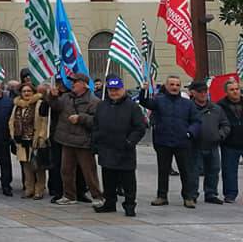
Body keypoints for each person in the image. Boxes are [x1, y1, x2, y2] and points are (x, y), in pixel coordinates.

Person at [139, 74, 202, 208]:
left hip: (183, 142)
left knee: (185, 171)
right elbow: (145, 102)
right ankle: (162, 196)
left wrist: (190, 132)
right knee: (163, 171)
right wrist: (143, 90)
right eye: (172, 84)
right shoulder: (159, 100)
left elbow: (196, 121)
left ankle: (188, 197)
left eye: (177, 85)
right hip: (163, 142)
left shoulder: (188, 104)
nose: (174, 87)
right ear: (166, 86)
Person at [92, 75, 146, 216]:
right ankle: (109, 203)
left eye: (116, 89)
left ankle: (129, 206)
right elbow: (96, 125)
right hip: (107, 149)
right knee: (108, 180)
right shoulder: (102, 105)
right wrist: (97, 141)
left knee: (128, 181)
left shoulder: (132, 107)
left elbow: (140, 128)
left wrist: (129, 142)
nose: (114, 92)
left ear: (122, 89)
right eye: (111, 90)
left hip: (124, 150)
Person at [50, 74, 104, 207]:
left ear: (84, 84)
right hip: (66, 140)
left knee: (89, 171)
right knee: (66, 170)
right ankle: (69, 195)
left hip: (83, 142)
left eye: (75, 82)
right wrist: (52, 96)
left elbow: (97, 121)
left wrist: (81, 118)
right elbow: (55, 107)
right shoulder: (66, 97)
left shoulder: (94, 101)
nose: (72, 84)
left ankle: (97, 196)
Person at [188, 80, 229, 205]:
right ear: (193, 93)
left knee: (213, 170)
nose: (203, 94)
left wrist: (220, 135)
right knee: (194, 172)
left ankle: (211, 193)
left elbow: (225, 124)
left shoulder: (216, 108)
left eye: (205, 91)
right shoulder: (188, 108)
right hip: (195, 145)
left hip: (213, 145)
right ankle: (192, 194)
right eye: (200, 92)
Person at [8, 84, 49, 200]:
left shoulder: (39, 104)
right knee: (26, 167)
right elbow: (12, 120)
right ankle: (29, 189)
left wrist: (41, 137)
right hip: (21, 140)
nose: (26, 93)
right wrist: (13, 135)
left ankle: (39, 190)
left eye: (29, 91)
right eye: (24, 91)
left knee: (38, 167)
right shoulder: (17, 105)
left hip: (35, 140)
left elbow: (44, 122)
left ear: (33, 92)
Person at [219, 78, 243, 204]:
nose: (235, 92)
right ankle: (230, 194)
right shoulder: (220, 106)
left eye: (237, 89)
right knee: (229, 170)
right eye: (232, 90)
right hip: (229, 143)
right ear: (226, 92)